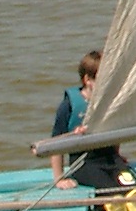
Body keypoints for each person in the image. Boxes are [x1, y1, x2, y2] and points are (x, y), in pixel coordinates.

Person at [51, 50, 127, 192]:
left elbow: (115, 131)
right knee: (110, 190)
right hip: (84, 164)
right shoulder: (69, 106)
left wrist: (117, 155)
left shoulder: (110, 103)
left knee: (132, 186)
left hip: (110, 158)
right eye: (102, 80)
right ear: (87, 80)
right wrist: (59, 178)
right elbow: (56, 143)